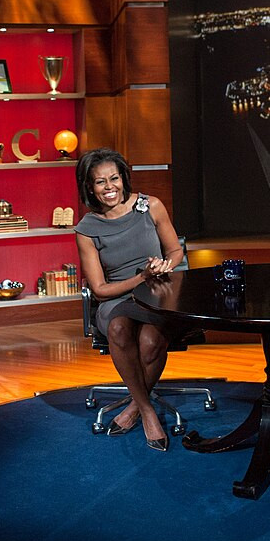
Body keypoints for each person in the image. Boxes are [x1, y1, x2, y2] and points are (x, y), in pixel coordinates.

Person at [74, 148, 183, 452]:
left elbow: (175, 251)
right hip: (117, 297)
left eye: (114, 178)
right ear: (89, 187)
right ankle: (148, 412)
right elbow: (98, 289)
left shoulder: (151, 206)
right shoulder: (87, 229)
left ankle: (134, 407)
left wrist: (165, 266)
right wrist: (139, 278)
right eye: (100, 182)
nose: (109, 187)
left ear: (123, 178)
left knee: (150, 341)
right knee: (119, 329)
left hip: (158, 293)